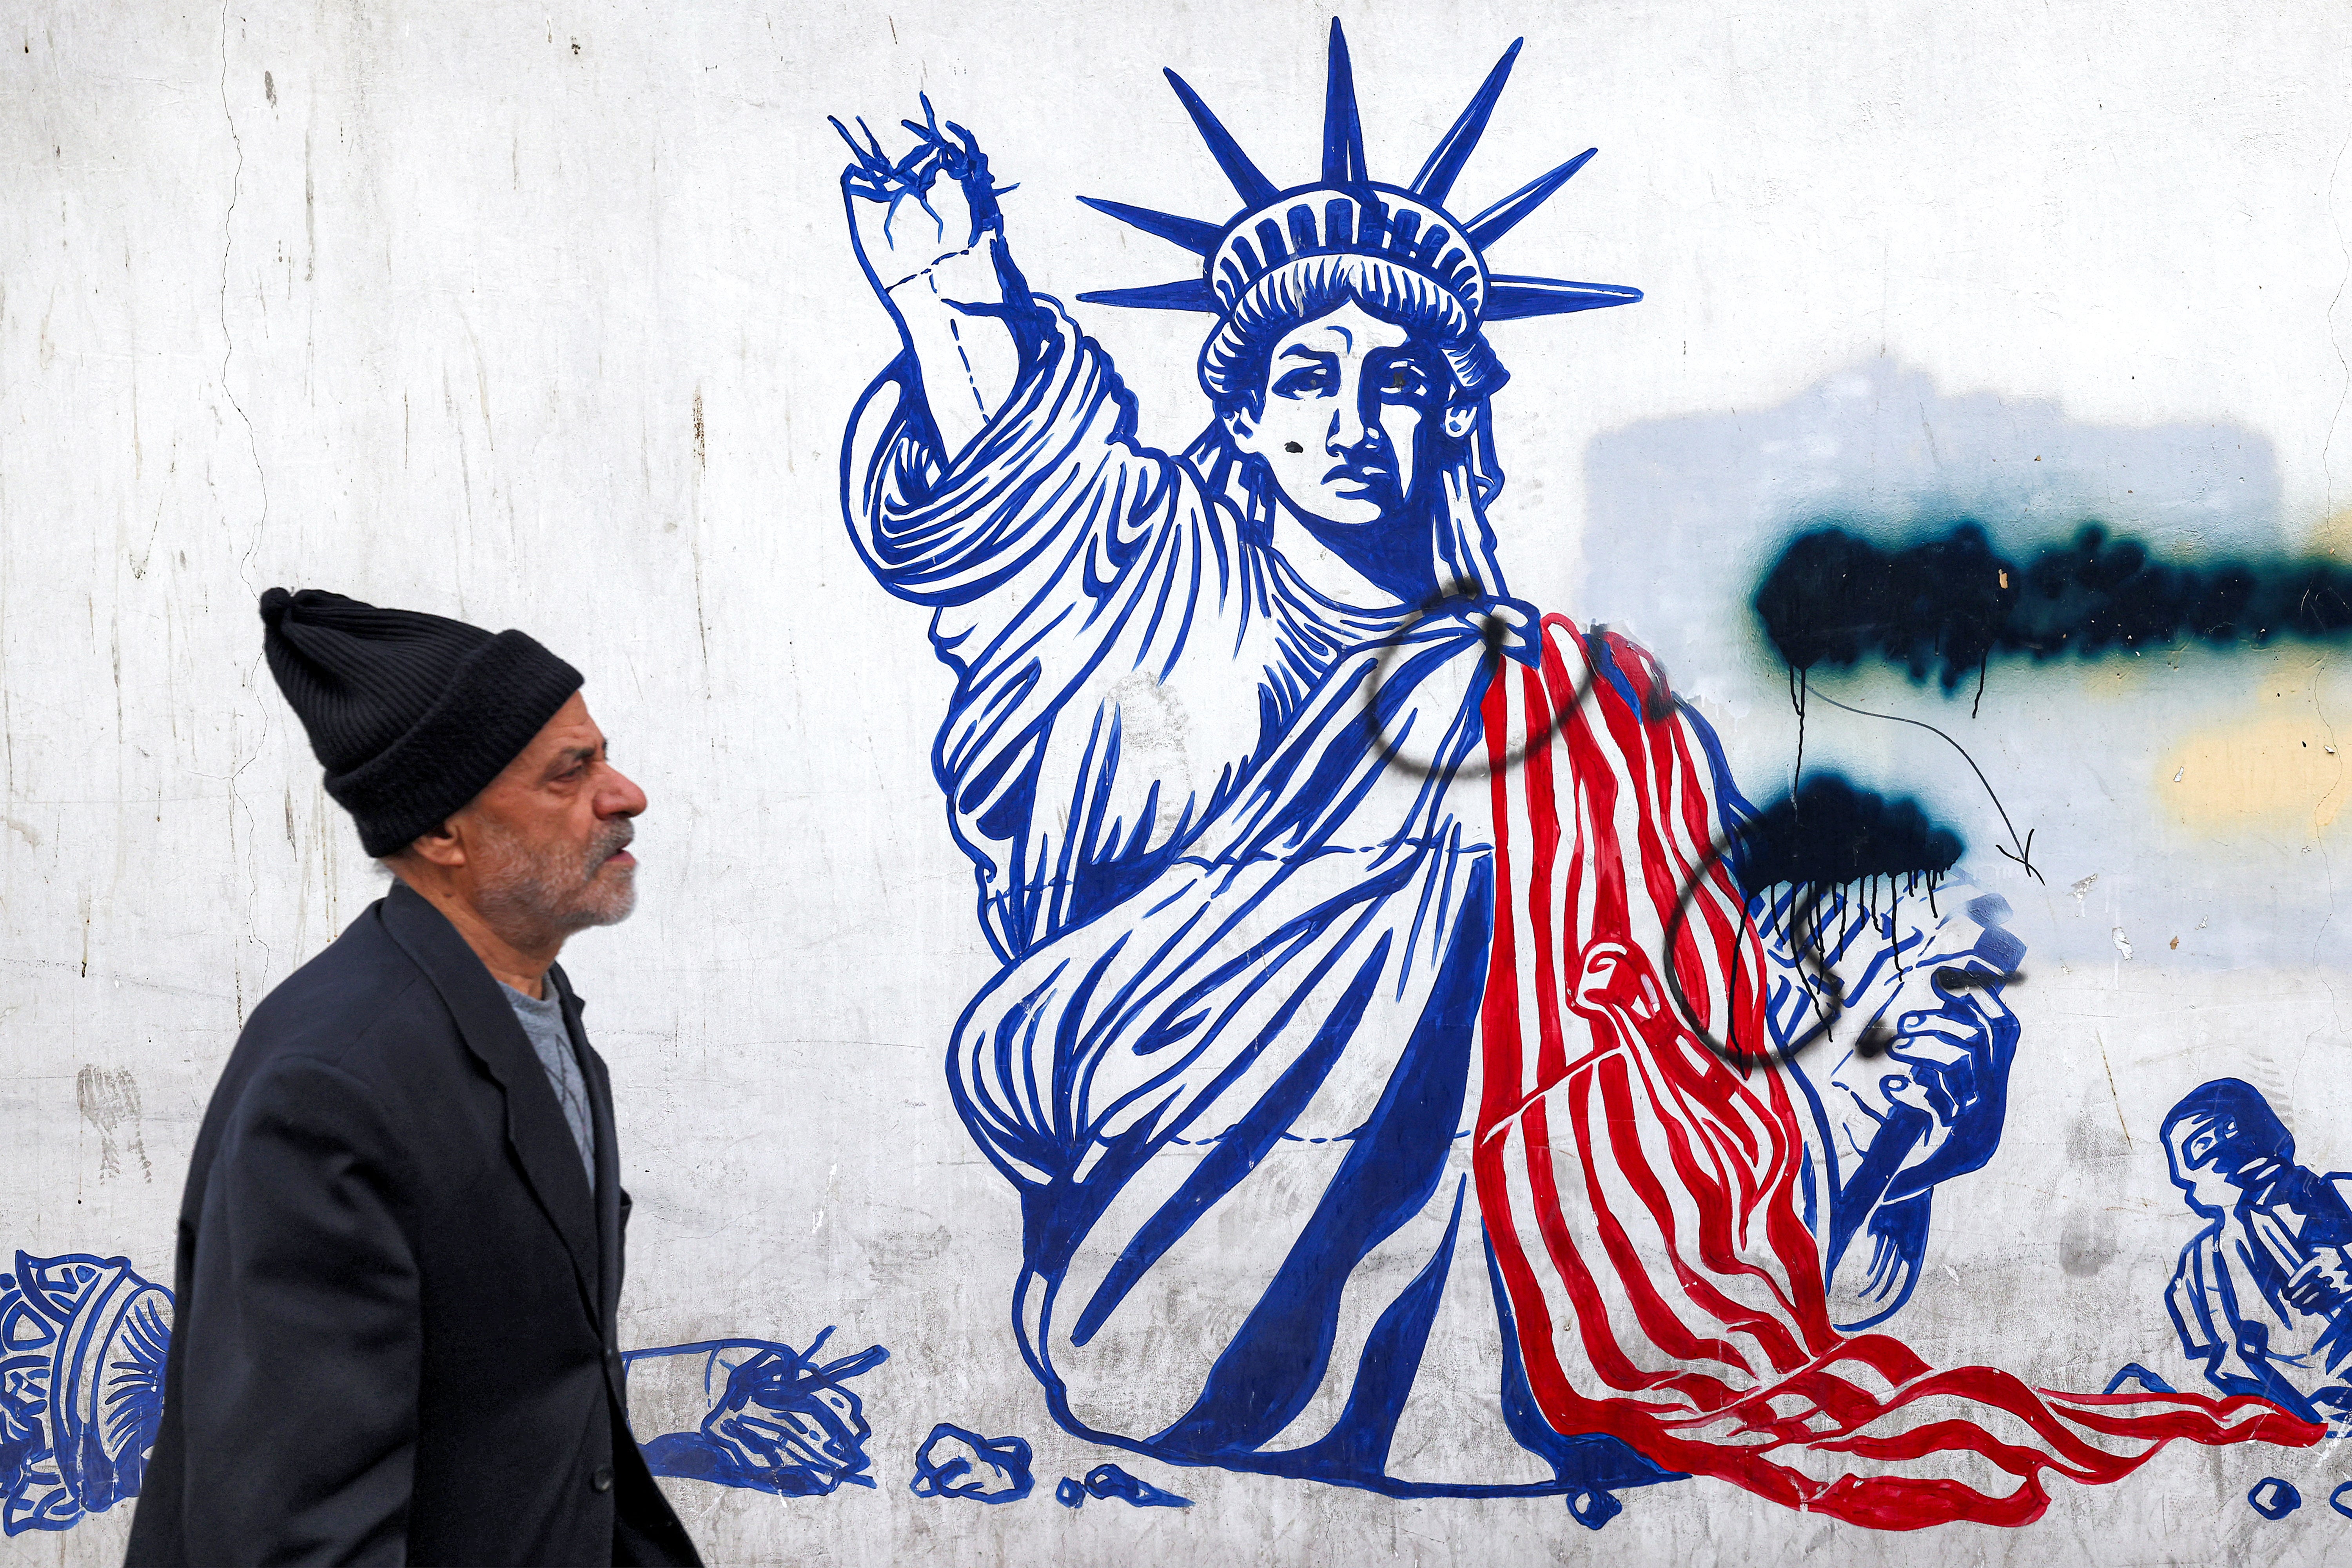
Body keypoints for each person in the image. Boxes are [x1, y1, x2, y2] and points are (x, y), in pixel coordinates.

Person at [832, 21, 2318, 1528]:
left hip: (1550, 1148)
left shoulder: (1578, 692)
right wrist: (951, 301)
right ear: (1244, 413)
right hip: (1185, 1079)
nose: (1354, 420)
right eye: (1308, 374)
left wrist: (1862, 974)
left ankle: (1743, 1216)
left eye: (1398, 379)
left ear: (1452, 416)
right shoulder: (1159, 583)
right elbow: (1018, 502)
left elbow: (1696, 931)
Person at [125, 590, 700, 1566]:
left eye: (601, 755)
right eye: (572, 773)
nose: (626, 793)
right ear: (443, 832)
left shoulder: (535, 1008)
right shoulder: (332, 1086)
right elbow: (295, 1521)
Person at [2162, 1078, 2352, 1429]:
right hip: (2306, 1430)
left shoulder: (2339, 1193)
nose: (2184, 1180)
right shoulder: (2199, 1266)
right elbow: (2211, 1372)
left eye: (2196, 1151)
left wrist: (2344, 1271)